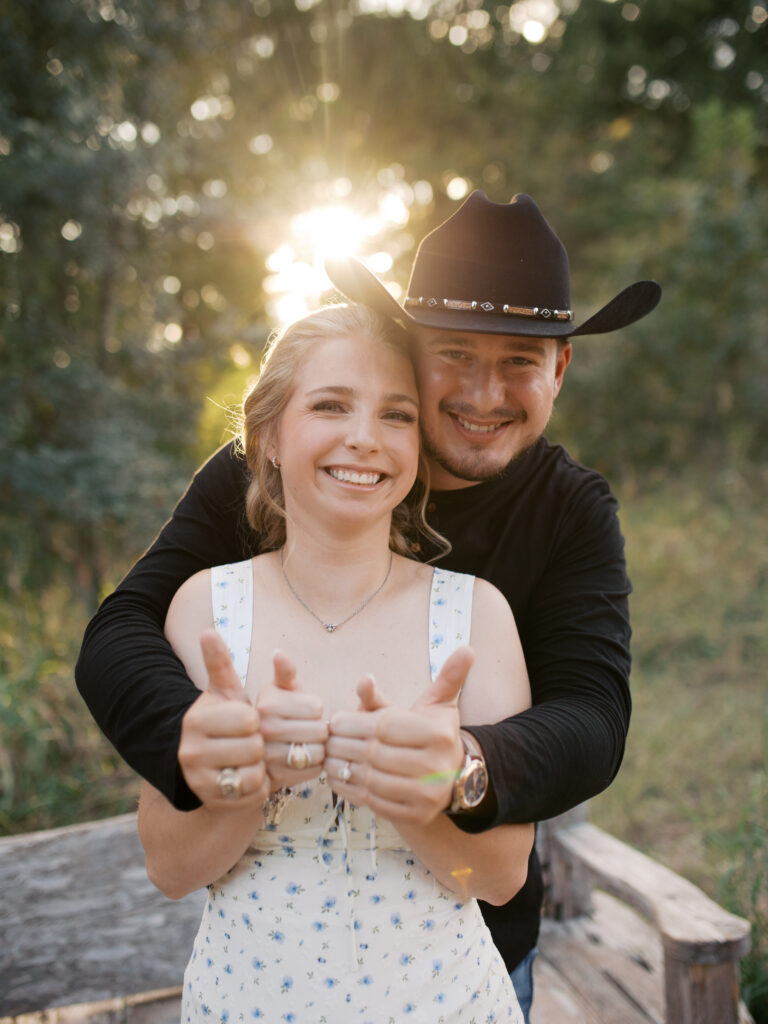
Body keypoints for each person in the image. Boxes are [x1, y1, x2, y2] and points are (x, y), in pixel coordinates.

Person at [76, 191, 661, 1021]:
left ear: (559, 371)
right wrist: (200, 743)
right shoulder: (261, 480)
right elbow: (121, 630)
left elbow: (594, 716)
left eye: (522, 360)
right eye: (455, 355)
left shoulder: (562, 517)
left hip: (468, 958)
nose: (485, 393)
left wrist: (460, 766)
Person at [137, 302, 533, 1021]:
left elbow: (502, 878)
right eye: (330, 405)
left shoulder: (477, 616)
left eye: (396, 415)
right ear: (269, 436)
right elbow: (169, 869)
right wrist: (255, 779)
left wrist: (417, 801)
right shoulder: (206, 611)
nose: (364, 439)